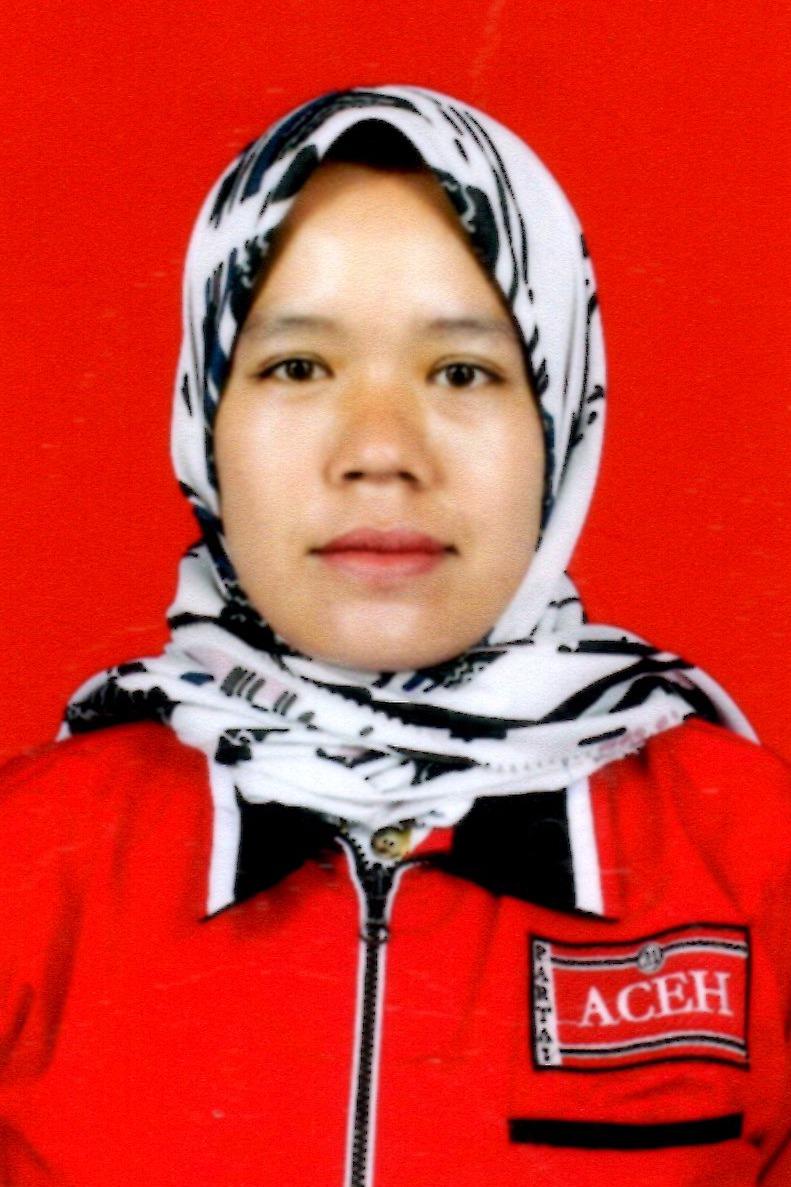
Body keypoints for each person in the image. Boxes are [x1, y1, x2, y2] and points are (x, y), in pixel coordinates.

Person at [0, 86, 788, 1187]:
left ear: (560, 417)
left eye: (461, 372)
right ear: (205, 417)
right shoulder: (28, 864)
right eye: (297, 367)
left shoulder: (754, 859)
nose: (379, 450)